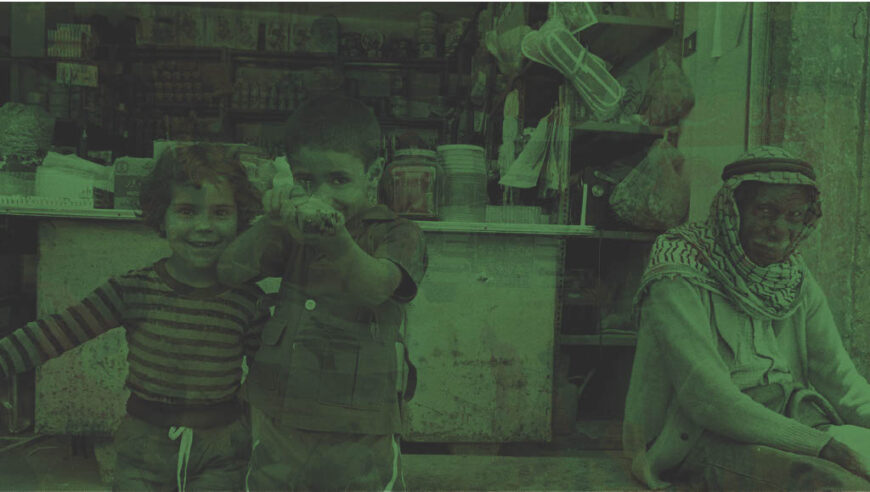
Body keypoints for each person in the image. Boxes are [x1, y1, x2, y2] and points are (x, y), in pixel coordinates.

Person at [0, 144, 267, 491]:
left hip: (223, 452)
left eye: (220, 212)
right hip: (144, 451)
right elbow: (58, 331)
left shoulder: (248, 300)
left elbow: (269, 373)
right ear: (161, 216)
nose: (204, 226)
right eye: (186, 211)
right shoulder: (133, 290)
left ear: (240, 218)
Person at [623, 146, 870, 490]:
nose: (779, 230)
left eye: (795, 216)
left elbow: (839, 378)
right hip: (701, 435)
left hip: (790, 419)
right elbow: (709, 399)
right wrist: (821, 446)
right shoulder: (679, 265)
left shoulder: (792, 275)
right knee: (840, 486)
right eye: (765, 212)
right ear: (733, 209)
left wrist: (823, 440)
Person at [218, 95, 427, 491]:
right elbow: (230, 271)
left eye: (339, 180)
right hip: (279, 414)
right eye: (306, 181)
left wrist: (337, 240)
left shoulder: (399, 233)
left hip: (362, 424)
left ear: (373, 173)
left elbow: (375, 287)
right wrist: (271, 221)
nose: (322, 194)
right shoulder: (292, 230)